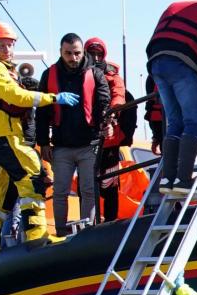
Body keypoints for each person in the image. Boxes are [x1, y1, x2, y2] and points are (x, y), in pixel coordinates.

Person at [0, 20, 73, 255]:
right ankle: (37, 235)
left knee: (0, 189)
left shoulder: (0, 67)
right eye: (2, 45)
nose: (7, 50)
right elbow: (14, 95)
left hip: (2, 134)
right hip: (5, 134)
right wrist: (52, 98)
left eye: (10, 45)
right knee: (34, 176)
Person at [145, 0, 197, 195]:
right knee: (192, 122)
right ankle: (183, 180)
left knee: (174, 122)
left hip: (156, 62)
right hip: (182, 61)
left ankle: (167, 179)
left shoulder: (175, 7)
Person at [36, 33, 111, 231]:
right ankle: (60, 231)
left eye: (77, 53)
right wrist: (44, 142)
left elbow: (104, 101)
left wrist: (106, 121)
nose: (73, 58)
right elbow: (42, 112)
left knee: (88, 190)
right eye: (68, 53)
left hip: (89, 144)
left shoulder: (95, 74)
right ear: (61, 52)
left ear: (83, 52)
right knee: (60, 192)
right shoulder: (49, 75)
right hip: (61, 146)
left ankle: (87, 231)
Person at [85, 38, 129, 220]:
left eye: (99, 53)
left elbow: (119, 96)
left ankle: (110, 222)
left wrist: (110, 116)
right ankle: (88, 222)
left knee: (110, 184)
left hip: (109, 139)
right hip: (85, 140)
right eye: (92, 53)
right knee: (86, 185)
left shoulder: (113, 76)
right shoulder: (79, 74)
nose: (95, 57)